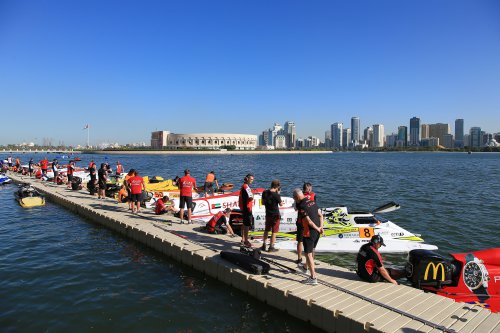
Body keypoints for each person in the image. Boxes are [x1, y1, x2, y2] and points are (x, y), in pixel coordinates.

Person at [294, 188, 323, 286]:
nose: (295, 201)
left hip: (309, 232)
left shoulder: (302, 206)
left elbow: (309, 221)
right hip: (317, 231)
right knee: (312, 250)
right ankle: (305, 267)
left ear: (297, 197)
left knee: (308, 254)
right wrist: (321, 227)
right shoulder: (312, 202)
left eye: (295, 199)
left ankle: (313, 278)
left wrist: (317, 229)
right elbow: (320, 215)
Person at [297, 182, 317, 264]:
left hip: (301, 220)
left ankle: (299, 258)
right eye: (311, 188)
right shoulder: (313, 195)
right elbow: (315, 206)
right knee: (311, 243)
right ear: (309, 188)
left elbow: (297, 207)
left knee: (300, 241)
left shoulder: (300, 196)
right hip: (311, 221)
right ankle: (311, 260)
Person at [261, 179, 284, 252]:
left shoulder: (264, 192)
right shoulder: (276, 195)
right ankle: (271, 247)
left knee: (266, 230)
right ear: (277, 186)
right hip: (275, 215)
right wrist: (279, 194)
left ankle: (264, 245)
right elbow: (281, 204)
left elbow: (263, 203)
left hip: (268, 214)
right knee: (274, 231)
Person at [238, 173, 255, 247]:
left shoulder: (243, 186)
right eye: (251, 179)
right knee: (247, 225)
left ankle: (243, 239)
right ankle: (246, 241)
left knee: (244, 223)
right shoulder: (246, 187)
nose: (252, 181)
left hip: (244, 207)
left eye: (252, 179)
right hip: (247, 208)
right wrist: (253, 194)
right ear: (247, 179)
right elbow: (251, 197)